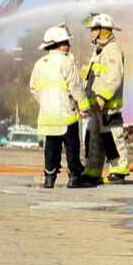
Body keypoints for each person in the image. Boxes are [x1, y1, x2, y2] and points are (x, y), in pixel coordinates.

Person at [30, 25, 85, 189]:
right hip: (66, 114)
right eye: (67, 42)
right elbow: (76, 86)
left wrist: (45, 101)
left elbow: (33, 87)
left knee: (51, 148)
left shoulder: (40, 63)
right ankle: (74, 177)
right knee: (72, 147)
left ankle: (49, 178)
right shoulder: (67, 61)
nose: (69, 45)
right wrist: (84, 107)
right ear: (59, 44)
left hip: (47, 116)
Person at [81, 12, 130, 183]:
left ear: (103, 30)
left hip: (108, 105)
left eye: (93, 29)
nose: (90, 32)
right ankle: (93, 171)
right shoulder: (98, 51)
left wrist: (102, 97)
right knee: (94, 138)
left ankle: (119, 170)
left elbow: (114, 77)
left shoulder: (112, 51)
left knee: (112, 137)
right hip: (96, 106)